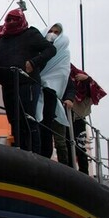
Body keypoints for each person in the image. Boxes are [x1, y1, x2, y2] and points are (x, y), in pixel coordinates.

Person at [0, 9, 56, 152]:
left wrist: (33, 62)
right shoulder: (1, 41)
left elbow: (50, 50)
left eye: (15, 19)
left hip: (27, 85)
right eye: (9, 19)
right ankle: (20, 152)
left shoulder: (31, 34)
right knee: (14, 121)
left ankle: (34, 155)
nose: (11, 22)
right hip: (8, 86)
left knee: (28, 120)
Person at [59, 64, 106, 173]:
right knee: (67, 145)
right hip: (64, 117)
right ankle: (69, 171)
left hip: (79, 118)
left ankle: (83, 173)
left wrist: (87, 79)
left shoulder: (81, 76)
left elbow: (97, 90)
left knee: (80, 147)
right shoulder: (61, 76)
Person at [36, 23, 71, 158]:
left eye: (56, 32)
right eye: (51, 31)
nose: (52, 34)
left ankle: (46, 155)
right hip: (36, 88)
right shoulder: (38, 50)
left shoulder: (64, 54)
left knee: (47, 126)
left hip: (51, 92)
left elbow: (63, 74)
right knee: (36, 124)